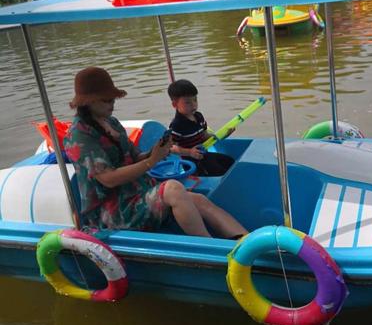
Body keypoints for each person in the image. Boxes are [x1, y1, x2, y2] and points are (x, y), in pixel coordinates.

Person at [64, 67, 248, 239]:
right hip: (113, 211)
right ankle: (213, 249)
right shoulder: (80, 135)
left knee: (198, 199)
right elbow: (108, 178)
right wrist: (151, 161)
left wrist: (156, 151)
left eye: (113, 98)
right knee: (173, 189)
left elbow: (135, 157)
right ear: (88, 101)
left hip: (138, 192)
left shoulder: (111, 122)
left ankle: (244, 239)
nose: (112, 103)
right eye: (106, 100)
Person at [168, 79, 235, 176]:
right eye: (187, 102)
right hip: (191, 162)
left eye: (195, 100)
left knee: (230, 162)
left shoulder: (198, 116)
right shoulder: (176, 125)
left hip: (204, 155)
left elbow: (204, 136)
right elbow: (171, 148)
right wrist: (189, 152)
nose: (194, 105)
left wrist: (221, 136)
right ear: (175, 105)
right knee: (220, 172)